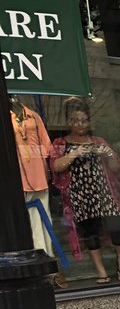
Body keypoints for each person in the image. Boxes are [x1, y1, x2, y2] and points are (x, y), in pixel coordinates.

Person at [49, 97, 120, 284]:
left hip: (104, 192)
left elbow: (117, 168)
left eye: (84, 120)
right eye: (76, 120)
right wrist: (75, 153)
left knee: (116, 225)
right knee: (91, 233)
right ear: (69, 122)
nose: (80, 124)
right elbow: (56, 166)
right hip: (80, 195)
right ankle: (101, 271)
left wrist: (106, 152)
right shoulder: (61, 143)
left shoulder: (98, 141)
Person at [10, 96, 67, 288]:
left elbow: (46, 148)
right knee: (25, 224)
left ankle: (49, 264)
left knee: (44, 221)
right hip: (17, 178)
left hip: (38, 176)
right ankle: (37, 267)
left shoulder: (33, 117)